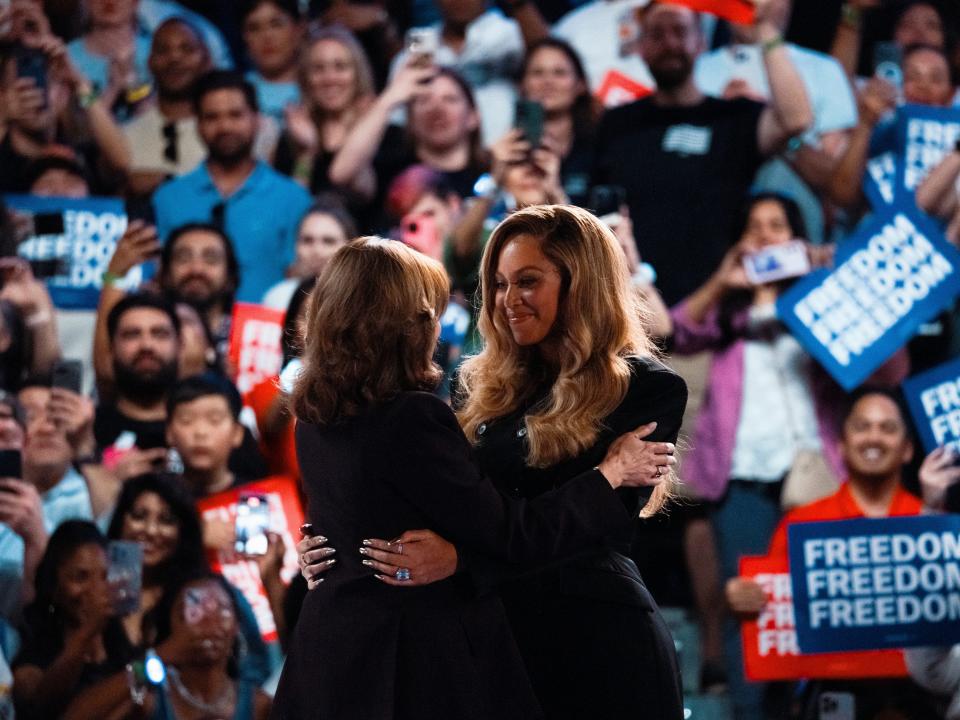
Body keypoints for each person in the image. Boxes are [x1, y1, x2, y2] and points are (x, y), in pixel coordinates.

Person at [298, 206, 688, 719]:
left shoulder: (646, 390)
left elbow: (590, 533)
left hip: (594, 639)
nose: (508, 300)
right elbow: (444, 503)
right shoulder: (480, 387)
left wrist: (462, 563)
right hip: (488, 646)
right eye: (500, 284)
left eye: (528, 281)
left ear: (582, 285)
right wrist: (339, 540)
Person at [668, 193, 908, 718]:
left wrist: (838, 284)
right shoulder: (729, 313)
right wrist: (724, 280)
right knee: (747, 602)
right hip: (744, 477)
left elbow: (891, 370)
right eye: (754, 227)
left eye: (777, 226)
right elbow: (674, 331)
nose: (765, 235)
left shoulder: (824, 303)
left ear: (798, 237)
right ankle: (752, 712)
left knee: (826, 600)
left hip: (819, 473)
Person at [724, 389, 937, 719]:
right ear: (840, 444)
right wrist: (744, 597)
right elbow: (775, 607)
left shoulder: (931, 524)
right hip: (831, 693)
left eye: (888, 428)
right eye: (862, 426)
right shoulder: (802, 525)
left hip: (918, 693)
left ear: (908, 449)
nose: (874, 438)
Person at [591, 1, 813, 306]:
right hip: (634, 312)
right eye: (657, 34)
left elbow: (797, 118)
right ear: (641, 47)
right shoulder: (617, 122)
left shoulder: (734, 117)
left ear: (702, 42)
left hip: (715, 314)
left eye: (680, 31)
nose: (670, 43)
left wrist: (764, 30)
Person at [694, 0, 857, 244]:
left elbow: (834, 182)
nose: (755, 5)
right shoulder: (696, 71)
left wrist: (771, 127)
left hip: (795, 231)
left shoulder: (823, 69)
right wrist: (724, 122)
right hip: (710, 222)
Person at [153, 70, 312, 302]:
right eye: (212, 117)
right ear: (197, 124)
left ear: (257, 119)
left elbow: (298, 279)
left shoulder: (294, 199)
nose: (225, 126)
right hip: (185, 331)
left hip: (266, 333)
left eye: (235, 115)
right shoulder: (167, 198)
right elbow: (158, 276)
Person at [65, 572, 272, 720]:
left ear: (236, 627)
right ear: (172, 625)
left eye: (222, 610)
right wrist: (161, 656)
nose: (210, 622)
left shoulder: (258, 705)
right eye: (193, 611)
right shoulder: (152, 699)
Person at [329, 64, 488, 228]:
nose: (437, 109)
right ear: (410, 120)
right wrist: (389, 99)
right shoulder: (390, 171)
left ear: (473, 117)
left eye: (450, 99)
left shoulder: (492, 174)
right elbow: (342, 173)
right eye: (424, 100)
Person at [12, 520, 134, 719]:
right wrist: (87, 631)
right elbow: (40, 700)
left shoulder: (121, 648)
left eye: (104, 577)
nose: (96, 589)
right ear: (54, 585)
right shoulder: (34, 655)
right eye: (81, 577)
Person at [0, 382, 96, 618]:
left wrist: (37, 539)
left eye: (59, 416)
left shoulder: (94, 496)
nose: (47, 428)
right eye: (31, 416)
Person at [389, 0, 526, 143]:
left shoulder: (507, 32)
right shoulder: (420, 43)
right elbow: (399, 118)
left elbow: (543, 52)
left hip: (504, 149)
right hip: (435, 157)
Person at [272, 25, 376, 199]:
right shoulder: (290, 140)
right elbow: (291, 209)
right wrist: (307, 152)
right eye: (318, 69)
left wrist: (364, 127)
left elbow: (364, 195)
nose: (330, 78)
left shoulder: (386, 134)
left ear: (358, 75)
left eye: (340, 67)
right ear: (306, 79)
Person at [518, 37, 601, 206]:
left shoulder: (601, 148)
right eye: (537, 73)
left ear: (581, 85)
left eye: (559, 73)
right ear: (522, 85)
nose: (547, 81)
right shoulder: (511, 151)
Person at [165, 372, 253, 499]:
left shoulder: (254, 500)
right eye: (186, 420)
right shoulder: (158, 500)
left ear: (237, 432)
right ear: (169, 432)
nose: (201, 432)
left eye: (214, 420)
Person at [66, 0, 153, 122]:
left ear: (135, 2)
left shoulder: (155, 51)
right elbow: (80, 125)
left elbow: (156, 119)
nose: (109, 1)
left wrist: (132, 82)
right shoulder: (68, 58)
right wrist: (112, 88)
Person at [261, 199, 355, 311]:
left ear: (350, 247)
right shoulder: (278, 298)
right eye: (307, 240)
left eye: (329, 241)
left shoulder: (364, 299)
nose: (317, 251)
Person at [240, 0, 303, 125]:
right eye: (254, 28)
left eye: (276, 24)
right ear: (244, 37)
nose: (267, 36)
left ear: (299, 29)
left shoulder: (323, 85)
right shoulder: (234, 92)